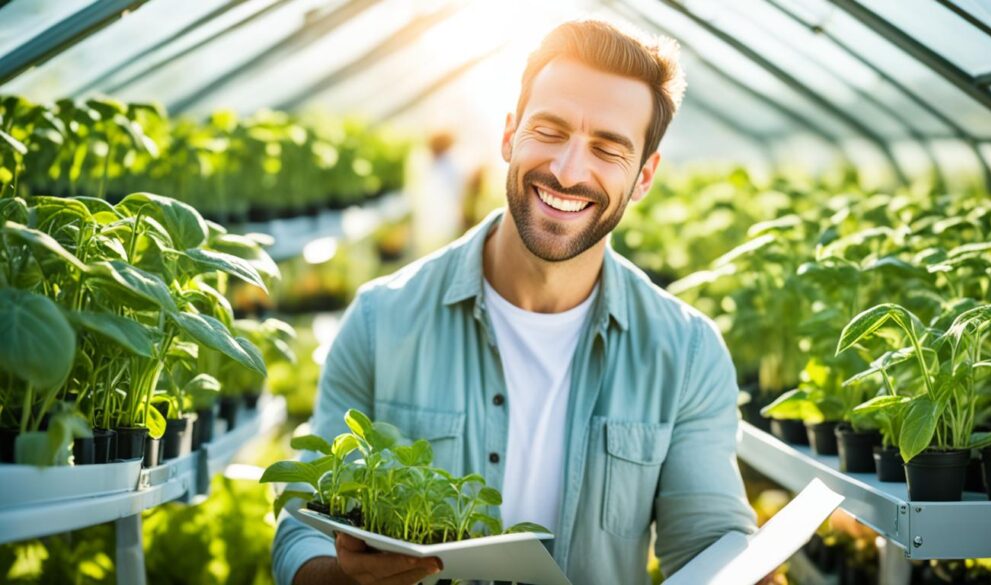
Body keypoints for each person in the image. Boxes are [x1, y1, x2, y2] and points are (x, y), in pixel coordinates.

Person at [272, 19, 757, 585]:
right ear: (509, 135)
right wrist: (341, 577)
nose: (567, 171)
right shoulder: (384, 319)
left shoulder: (687, 353)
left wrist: (746, 571)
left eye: (607, 148)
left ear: (644, 177)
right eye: (549, 132)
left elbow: (709, 543)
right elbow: (299, 532)